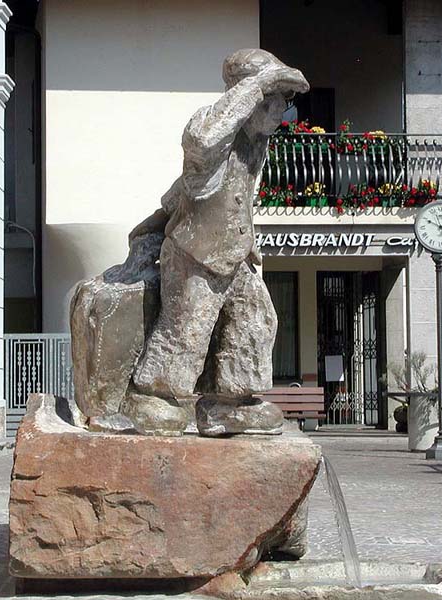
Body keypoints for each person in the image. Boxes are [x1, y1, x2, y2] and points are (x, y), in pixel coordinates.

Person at [121, 49, 310, 436]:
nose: (282, 109)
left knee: (256, 318)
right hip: (195, 252)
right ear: (249, 96)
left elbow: (228, 191)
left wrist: (247, 237)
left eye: (285, 100)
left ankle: (228, 403)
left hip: (233, 253)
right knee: (186, 328)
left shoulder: (256, 141)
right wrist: (255, 86)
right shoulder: (210, 125)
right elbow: (203, 145)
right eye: (275, 98)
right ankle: (154, 398)